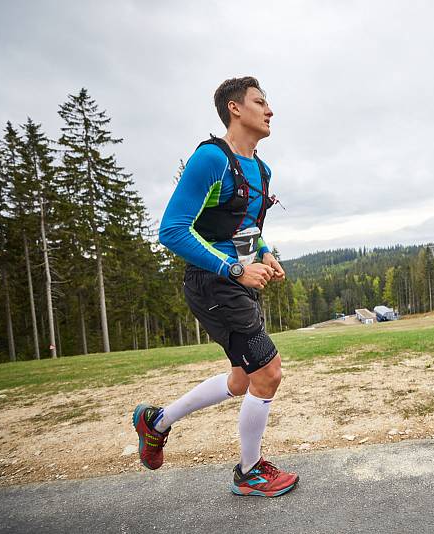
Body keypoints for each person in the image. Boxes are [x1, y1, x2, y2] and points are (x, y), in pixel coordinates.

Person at [133, 76, 298, 497]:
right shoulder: (211, 159)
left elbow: (243, 226)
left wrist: (264, 253)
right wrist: (232, 269)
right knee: (268, 372)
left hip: (237, 281)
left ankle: (156, 422)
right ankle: (250, 473)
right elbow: (171, 231)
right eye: (261, 102)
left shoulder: (261, 169)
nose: (270, 110)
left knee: (242, 379)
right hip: (213, 282)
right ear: (235, 109)